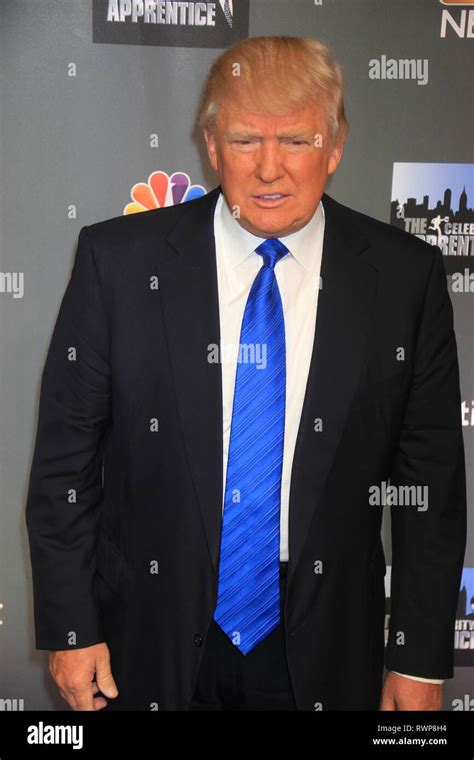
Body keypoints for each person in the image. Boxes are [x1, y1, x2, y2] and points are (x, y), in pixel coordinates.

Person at [25, 35, 466, 711]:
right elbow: (66, 466)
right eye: (244, 140)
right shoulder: (118, 264)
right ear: (210, 144)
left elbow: (428, 487)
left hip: (328, 645)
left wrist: (419, 659)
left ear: (335, 146)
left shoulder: (405, 278)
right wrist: (71, 626)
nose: (268, 169)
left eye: (295, 141)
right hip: (146, 638)